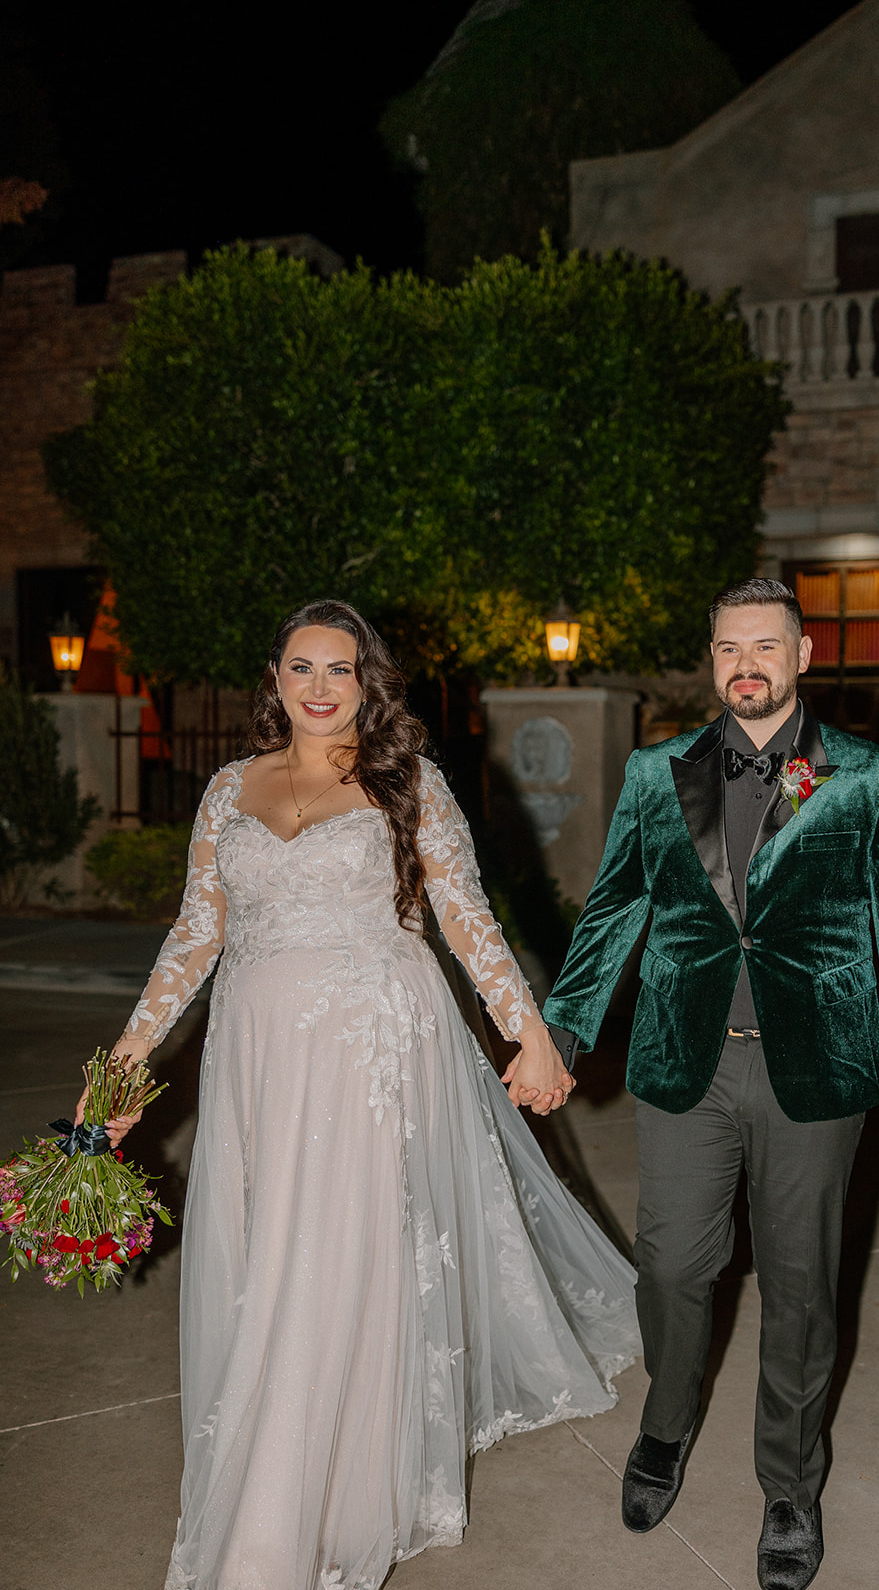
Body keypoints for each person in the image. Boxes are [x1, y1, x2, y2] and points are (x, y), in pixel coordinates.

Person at [86, 600, 639, 1590]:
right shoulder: (226, 791)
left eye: (339, 669)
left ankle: (315, 1509)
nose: (318, 686)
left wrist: (530, 1031)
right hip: (257, 1057)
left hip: (373, 1045)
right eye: (300, 667)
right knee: (269, 1254)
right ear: (274, 678)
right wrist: (120, 1068)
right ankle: (268, 1466)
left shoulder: (407, 783)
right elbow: (193, 937)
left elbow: (465, 917)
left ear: (367, 682)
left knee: (338, 1258)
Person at [542, 578, 879, 1590]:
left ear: (803, 654)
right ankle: (666, 1421)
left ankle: (788, 1487)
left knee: (802, 1286)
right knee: (672, 1264)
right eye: (728, 647)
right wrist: (560, 1028)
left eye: (764, 646)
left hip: (813, 1065)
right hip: (686, 1057)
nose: (744, 665)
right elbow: (611, 909)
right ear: (711, 656)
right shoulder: (656, 772)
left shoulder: (864, 776)